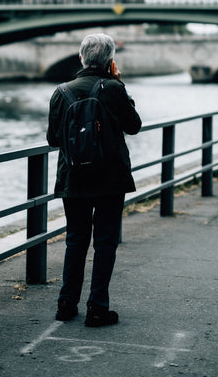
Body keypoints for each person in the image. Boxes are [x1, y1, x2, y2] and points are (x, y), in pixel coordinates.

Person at [46, 32, 141, 327]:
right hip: (110, 179)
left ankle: (66, 303)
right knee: (105, 242)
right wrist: (120, 83)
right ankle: (97, 307)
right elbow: (134, 126)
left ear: (80, 58)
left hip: (73, 178)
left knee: (75, 240)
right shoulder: (113, 89)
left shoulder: (61, 92)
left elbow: (52, 139)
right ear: (110, 61)